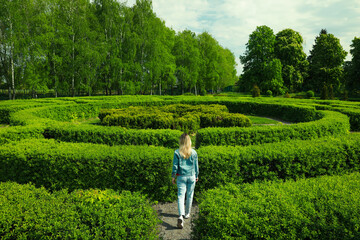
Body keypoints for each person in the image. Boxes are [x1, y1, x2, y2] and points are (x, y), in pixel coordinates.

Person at [171, 133, 199, 229]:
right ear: (189, 141)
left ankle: (180, 216)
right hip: (191, 176)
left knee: (180, 196)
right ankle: (187, 214)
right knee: (190, 195)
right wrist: (197, 175)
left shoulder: (177, 152)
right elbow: (196, 166)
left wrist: (173, 176)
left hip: (181, 177)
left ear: (181, 141)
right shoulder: (194, 152)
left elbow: (175, 166)